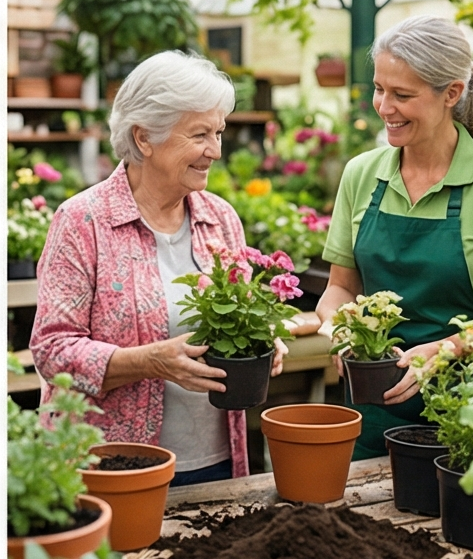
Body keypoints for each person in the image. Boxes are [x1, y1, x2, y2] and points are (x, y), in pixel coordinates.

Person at [30, 50, 285, 486]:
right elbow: (52, 350)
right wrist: (150, 361)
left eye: (219, 131)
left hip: (215, 463)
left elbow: (238, 319)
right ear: (145, 138)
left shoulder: (220, 218)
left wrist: (264, 344)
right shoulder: (82, 222)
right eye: (200, 134)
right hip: (111, 470)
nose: (216, 151)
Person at [316, 15, 473, 459]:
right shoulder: (362, 174)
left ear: (451, 94)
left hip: (467, 412)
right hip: (370, 408)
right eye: (380, 89)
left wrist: (444, 349)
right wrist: (337, 326)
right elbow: (341, 286)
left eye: (402, 95)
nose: (384, 107)